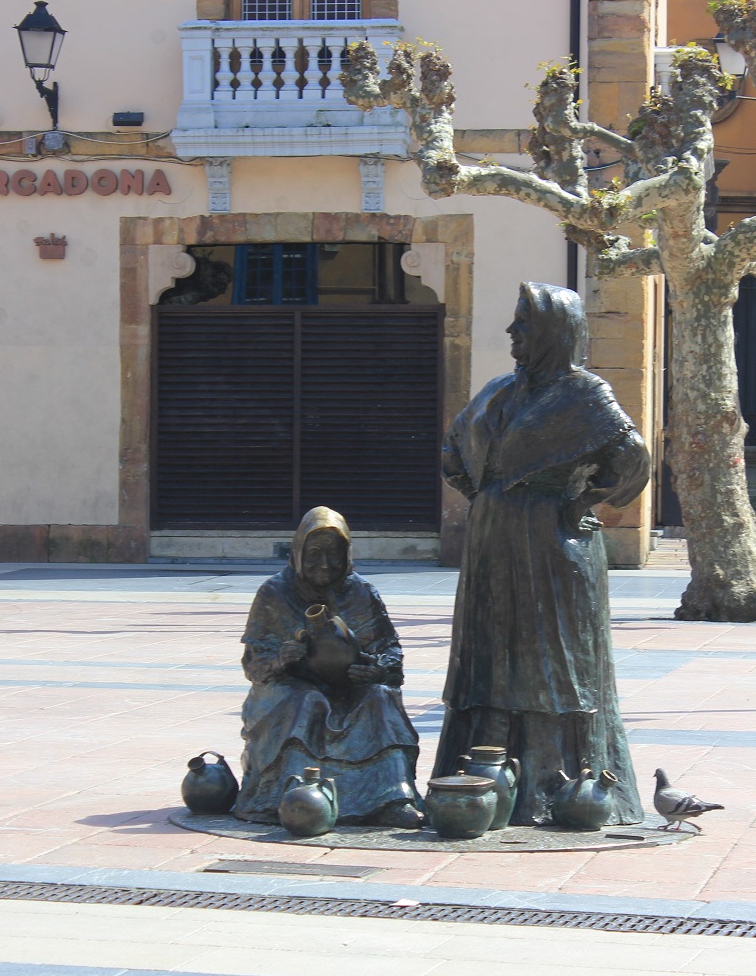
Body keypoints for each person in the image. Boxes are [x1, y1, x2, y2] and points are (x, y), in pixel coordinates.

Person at [434, 282, 651, 825]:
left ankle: (558, 788)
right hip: (493, 539)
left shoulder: (585, 395)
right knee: (487, 657)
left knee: (555, 662)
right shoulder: (497, 393)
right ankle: (482, 776)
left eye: (524, 324)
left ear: (555, 333)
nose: (512, 333)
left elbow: (632, 460)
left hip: (554, 544)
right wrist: (489, 497)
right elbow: (452, 450)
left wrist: (580, 498)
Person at [234, 506, 424, 828]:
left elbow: (390, 651)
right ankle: (288, 798)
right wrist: (282, 659)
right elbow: (255, 664)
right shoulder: (275, 593)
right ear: (298, 553)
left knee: (380, 698)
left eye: (334, 553)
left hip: (351, 687)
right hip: (290, 690)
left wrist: (377, 669)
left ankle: (392, 798)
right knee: (306, 702)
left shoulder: (362, 592)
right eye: (315, 553)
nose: (324, 564)